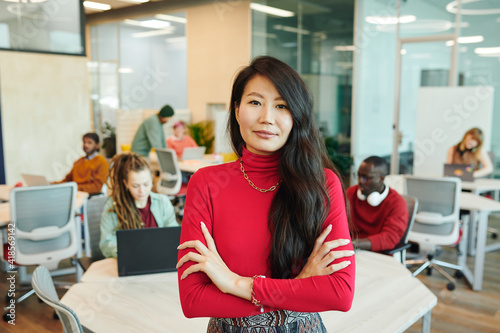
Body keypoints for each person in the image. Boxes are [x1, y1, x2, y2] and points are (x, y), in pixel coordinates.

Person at [176, 56, 355, 332]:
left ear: (297, 116)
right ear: (236, 110)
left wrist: (235, 284)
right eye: (255, 102)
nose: (266, 118)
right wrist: (298, 288)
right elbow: (193, 300)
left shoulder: (322, 184)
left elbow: (340, 293)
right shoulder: (206, 183)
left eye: (281, 106)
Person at [99, 152, 177, 258]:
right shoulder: (113, 206)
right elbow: (106, 244)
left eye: (146, 184)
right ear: (126, 183)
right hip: (129, 260)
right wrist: (124, 253)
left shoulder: (163, 202)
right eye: (135, 186)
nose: (142, 191)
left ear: (152, 180)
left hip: (159, 258)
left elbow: (173, 236)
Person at [346, 156, 408, 252]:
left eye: (366, 178)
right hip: (352, 250)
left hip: (379, 254)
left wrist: (354, 243)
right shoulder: (351, 193)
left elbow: (390, 238)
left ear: (381, 178)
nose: (360, 182)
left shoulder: (397, 202)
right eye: (358, 176)